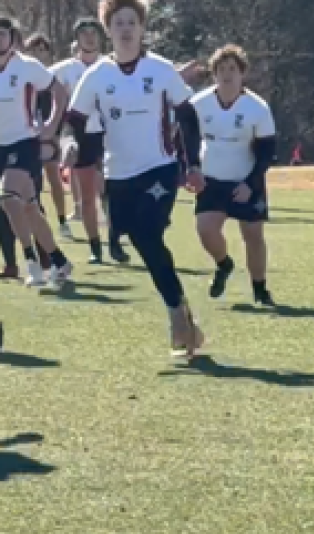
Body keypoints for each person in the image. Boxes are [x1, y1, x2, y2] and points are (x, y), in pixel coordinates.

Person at [66, 0, 205, 355]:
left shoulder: (160, 70)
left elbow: (188, 117)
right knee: (142, 242)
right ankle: (183, 311)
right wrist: (78, 148)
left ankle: (175, 314)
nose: (125, 29)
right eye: (118, 23)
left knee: (147, 233)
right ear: (107, 31)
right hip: (117, 175)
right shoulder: (97, 75)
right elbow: (77, 119)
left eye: (131, 22)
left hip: (159, 167)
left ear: (142, 28)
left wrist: (192, 166)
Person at [191, 44, 277, 305]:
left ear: (242, 74)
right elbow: (185, 141)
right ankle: (224, 264)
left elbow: (267, 153)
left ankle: (260, 289)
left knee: (253, 235)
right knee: (206, 230)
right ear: (213, 73)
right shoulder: (198, 105)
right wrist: (191, 169)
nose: (227, 74)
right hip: (211, 179)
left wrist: (251, 184)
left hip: (246, 180)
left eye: (232, 69)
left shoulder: (257, 108)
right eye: (221, 69)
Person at [0, 16, 73, 288]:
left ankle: (32, 263)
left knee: (8, 198)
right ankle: (59, 259)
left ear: (12, 37)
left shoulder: (28, 67)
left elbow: (59, 92)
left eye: (2, 34)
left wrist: (52, 125)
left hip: (23, 142)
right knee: (29, 208)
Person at [52, 16, 130, 265]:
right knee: (87, 196)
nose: (89, 37)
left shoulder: (113, 65)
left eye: (93, 32)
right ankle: (95, 248)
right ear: (77, 38)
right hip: (82, 135)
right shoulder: (65, 69)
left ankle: (115, 241)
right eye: (84, 32)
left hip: (112, 133)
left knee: (113, 191)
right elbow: (34, 82)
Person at [24, 33, 72, 241]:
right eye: (34, 49)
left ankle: (62, 221)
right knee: (31, 182)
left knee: (54, 178)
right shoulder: (22, 77)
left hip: (49, 135)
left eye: (42, 50)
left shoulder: (52, 79)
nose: (38, 54)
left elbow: (61, 107)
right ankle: (37, 222)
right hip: (26, 136)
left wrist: (54, 132)